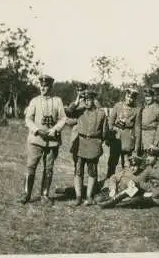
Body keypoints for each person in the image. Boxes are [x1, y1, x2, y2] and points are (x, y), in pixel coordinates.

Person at [19, 74, 67, 205]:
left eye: (46, 86)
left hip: (52, 141)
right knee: (31, 166)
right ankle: (26, 194)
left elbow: (63, 118)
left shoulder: (57, 101)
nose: (43, 88)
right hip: (36, 140)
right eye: (41, 85)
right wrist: (36, 130)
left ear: (50, 87)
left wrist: (54, 130)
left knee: (48, 168)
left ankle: (44, 194)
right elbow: (28, 119)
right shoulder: (34, 101)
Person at [65, 89, 108, 206]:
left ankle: (88, 196)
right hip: (80, 143)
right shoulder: (79, 111)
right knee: (78, 170)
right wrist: (77, 100)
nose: (87, 102)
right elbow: (68, 112)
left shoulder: (101, 113)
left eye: (89, 99)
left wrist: (98, 142)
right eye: (85, 99)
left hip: (94, 144)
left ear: (94, 100)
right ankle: (78, 197)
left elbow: (104, 132)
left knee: (92, 171)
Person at [103, 144, 159, 208]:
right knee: (133, 194)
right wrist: (132, 182)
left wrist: (153, 193)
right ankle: (112, 202)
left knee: (136, 201)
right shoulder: (150, 167)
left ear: (157, 157)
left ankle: (115, 204)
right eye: (148, 155)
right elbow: (140, 179)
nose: (147, 158)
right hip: (151, 191)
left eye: (150, 156)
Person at [106, 87, 142, 179]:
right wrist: (110, 136)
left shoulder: (136, 110)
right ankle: (108, 182)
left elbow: (137, 127)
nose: (130, 100)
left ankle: (124, 182)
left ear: (135, 99)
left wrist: (137, 145)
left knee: (126, 163)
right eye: (128, 96)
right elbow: (110, 122)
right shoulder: (118, 106)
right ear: (125, 96)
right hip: (116, 136)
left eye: (132, 98)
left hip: (128, 138)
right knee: (112, 162)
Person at [66, 83, 101, 169]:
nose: (80, 92)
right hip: (76, 135)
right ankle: (77, 180)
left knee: (92, 163)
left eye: (81, 90)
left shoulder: (94, 102)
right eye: (78, 90)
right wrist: (77, 119)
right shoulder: (74, 104)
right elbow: (68, 119)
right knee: (77, 162)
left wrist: (78, 118)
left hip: (90, 136)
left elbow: (99, 116)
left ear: (86, 90)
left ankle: (93, 181)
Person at [139, 87, 159, 154]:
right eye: (146, 96)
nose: (147, 99)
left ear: (153, 97)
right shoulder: (143, 108)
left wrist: (155, 142)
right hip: (143, 136)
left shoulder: (158, 109)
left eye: (149, 96)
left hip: (152, 136)